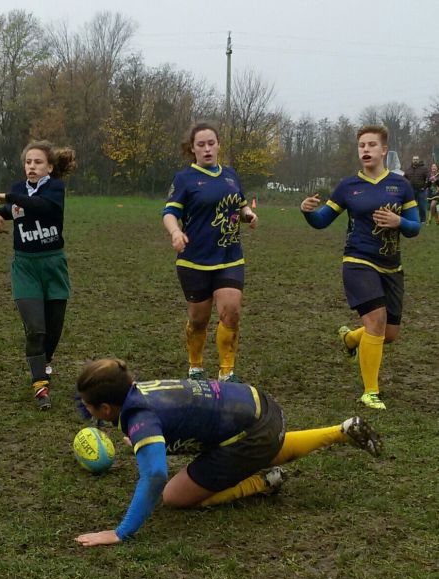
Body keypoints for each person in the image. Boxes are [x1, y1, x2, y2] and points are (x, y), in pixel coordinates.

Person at [73, 358, 382, 547]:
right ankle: (341, 431)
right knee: (260, 447)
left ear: (105, 407)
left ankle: (263, 482)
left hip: (253, 434)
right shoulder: (138, 389)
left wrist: (121, 532)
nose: (84, 409)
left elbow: (154, 475)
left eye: (88, 405)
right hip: (261, 407)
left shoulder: (141, 418)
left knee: (174, 496)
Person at [301, 125, 420, 410]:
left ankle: (351, 338)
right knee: (376, 321)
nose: (365, 150)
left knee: (388, 334)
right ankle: (370, 391)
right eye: (361, 146)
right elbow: (321, 220)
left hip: (391, 267)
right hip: (358, 261)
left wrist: (398, 222)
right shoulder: (348, 187)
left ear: (383, 151)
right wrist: (307, 212)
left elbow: (416, 227)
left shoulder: (401, 186)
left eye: (370, 145)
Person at [162, 122, 257, 382]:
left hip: (229, 256)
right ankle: (195, 366)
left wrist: (248, 214)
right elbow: (170, 212)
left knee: (231, 311)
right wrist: (175, 233)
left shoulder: (230, 175)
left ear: (218, 145)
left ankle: (227, 372)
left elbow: (240, 204)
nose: (207, 149)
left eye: (211, 143)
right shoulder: (184, 179)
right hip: (195, 260)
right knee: (198, 320)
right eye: (201, 144)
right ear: (192, 149)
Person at [0, 140, 76, 410]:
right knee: (35, 328)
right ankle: (40, 385)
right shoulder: (16, 190)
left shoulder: (55, 189)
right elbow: (13, 209)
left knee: (53, 328)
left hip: (53, 266)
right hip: (25, 267)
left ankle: (42, 362)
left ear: (49, 167)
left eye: (37, 162)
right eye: (28, 162)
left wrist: (9, 199)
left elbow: (41, 207)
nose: (32, 167)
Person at [404, 155, 428, 223]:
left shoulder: (424, 169)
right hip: (411, 191)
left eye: (417, 159)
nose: (415, 160)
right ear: (412, 160)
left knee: (422, 206)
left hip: (421, 190)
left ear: (419, 160)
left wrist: (425, 187)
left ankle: (423, 220)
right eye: (414, 159)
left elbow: (428, 178)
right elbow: (404, 179)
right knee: (410, 206)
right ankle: (412, 219)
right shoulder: (408, 169)